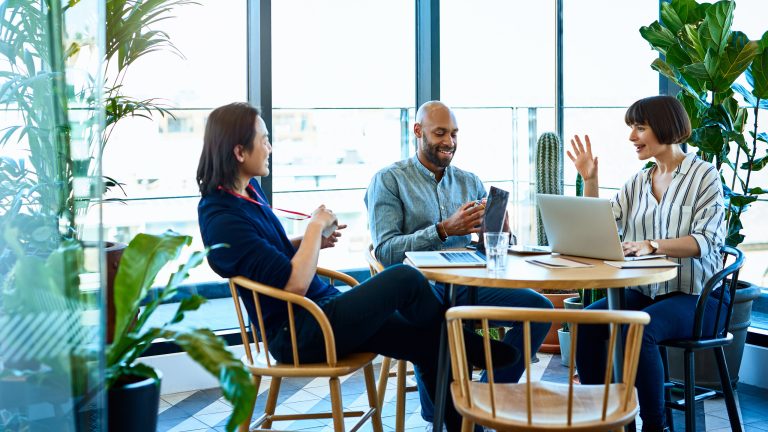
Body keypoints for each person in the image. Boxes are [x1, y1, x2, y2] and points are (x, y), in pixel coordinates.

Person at [196, 102, 519, 432]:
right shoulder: (222, 217)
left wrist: (311, 243)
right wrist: (312, 227)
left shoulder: (248, 193)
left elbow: (269, 256)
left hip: (321, 311)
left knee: (430, 343)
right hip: (299, 333)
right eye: (264, 139)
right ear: (239, 152)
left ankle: (465, 416)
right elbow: (292, 285)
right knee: (404, 278)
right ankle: (467, 343)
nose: (270, 147)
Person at [364, 100, 553, 428]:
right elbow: (385, 251)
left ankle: (482, 397)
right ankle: (449, 415)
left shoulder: (470, 181)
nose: (449, 141)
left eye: (453, 133)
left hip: (469, 285)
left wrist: (501, 233)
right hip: (418, 292)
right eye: (440, 133)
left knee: (539, 308)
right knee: (436, 320)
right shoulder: (390, 180)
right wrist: (442, 230)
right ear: (418, 131)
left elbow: (495, 249)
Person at [567, 95, 725, 432]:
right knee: (587, 322)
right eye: (631, 128)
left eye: (640, 128)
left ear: (665, 127)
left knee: (641, 328)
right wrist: (590, 180)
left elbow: (706, 241)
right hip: (649, 293)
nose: (631, 137)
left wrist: (653, 244)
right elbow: (600, 225)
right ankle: (602, 418)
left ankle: (656, 426)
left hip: (698, 299)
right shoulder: (639, 181)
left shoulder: (704, 176)